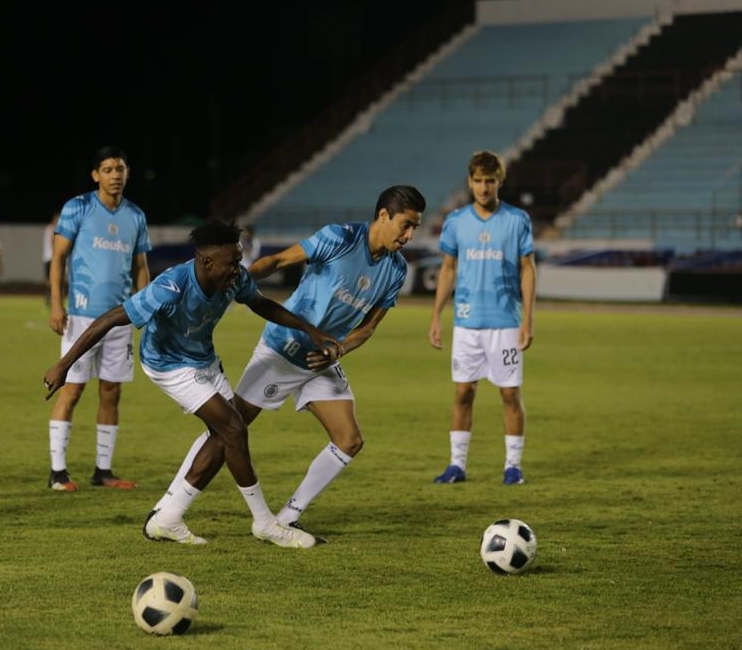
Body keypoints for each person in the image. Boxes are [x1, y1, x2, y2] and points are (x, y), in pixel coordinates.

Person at [43, 219, 344, 548]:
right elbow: (112, 318)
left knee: (224, 435)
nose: (238, 269)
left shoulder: (234, 279)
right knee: (233, 428)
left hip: (203, 359)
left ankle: (168, 518)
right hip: (167, 363)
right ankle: (266, 523)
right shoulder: (170, 286)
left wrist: (311, 331)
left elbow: (260, 304)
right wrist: (64, 364)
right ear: (207, 262)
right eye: (232, 263)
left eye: (239, 260)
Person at [160, 186, 426, 540]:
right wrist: (242, 282)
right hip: (282, 350)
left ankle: (287, 517)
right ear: (383, 216)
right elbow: (279, 261)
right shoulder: (340, 238)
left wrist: (340, 349)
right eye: (405, 225)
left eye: (414, 229)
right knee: (227, 431)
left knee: (349, 440)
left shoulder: (395, 270)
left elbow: (369, 327)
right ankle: (170, 508)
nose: (409, 235)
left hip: (321, 359)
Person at [46, 147, 151, 492]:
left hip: (120, 318)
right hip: (80, 315)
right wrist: (56, 305)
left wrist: (146, 306)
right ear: (95, 175)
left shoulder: (135, 215)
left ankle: (102, 471)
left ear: (127, 172)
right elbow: (58, 259)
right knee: (72, 389)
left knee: (111, 392)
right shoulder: (78, 207)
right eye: (107, 169)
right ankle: (57, 473)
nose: (115, 175)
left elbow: (140, 267)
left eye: (120, 168)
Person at [428, 150, 536, 486]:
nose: (484, 187)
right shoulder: (456, 222)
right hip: (466, 323)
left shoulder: (517, 220)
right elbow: (447, 270)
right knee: (462, 393)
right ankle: (456, 465)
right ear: (470, 181)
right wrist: (436, 317)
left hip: (505, 322)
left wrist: (528, 319)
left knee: (509, 395)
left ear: (499, 181)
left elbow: (527, 269)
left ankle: (513, 467)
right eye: (478, 181)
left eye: (490, 181)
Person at [43, 211, 59, 306]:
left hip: (46, 257)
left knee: (48, 279)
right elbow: (52, 241)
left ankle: (48, 297)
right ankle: (51, 298)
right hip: (51, 257)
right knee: (54, 279)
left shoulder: (47, 228)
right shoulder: (52, 229)